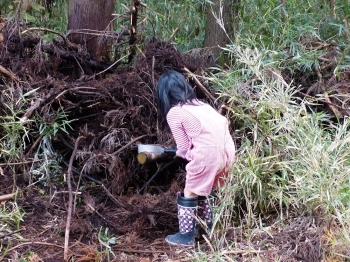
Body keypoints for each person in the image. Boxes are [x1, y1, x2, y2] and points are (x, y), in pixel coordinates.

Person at [156, 70, 236, 247]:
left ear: (163, 94)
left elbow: (183, 147)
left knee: (191, 190)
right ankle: (205, 228)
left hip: (208, 154)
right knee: (206, 188)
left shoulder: (175, 112)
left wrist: (180, 153)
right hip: (227, 153)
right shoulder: (202, 105)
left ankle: (186, 237)